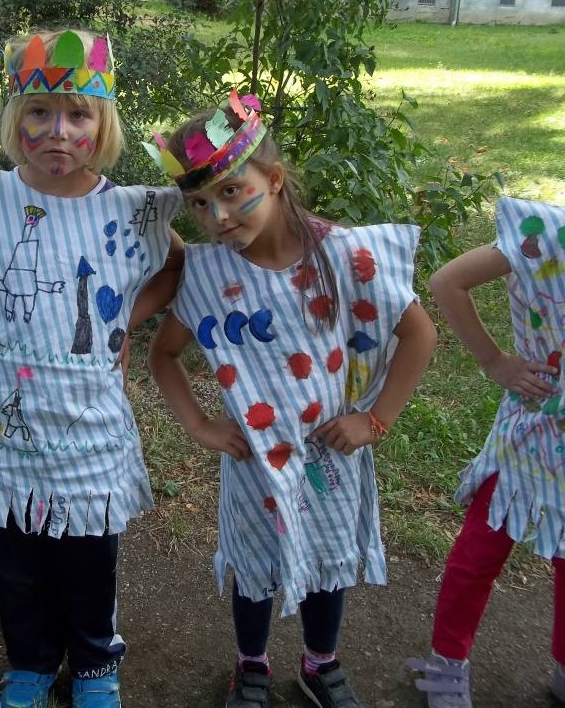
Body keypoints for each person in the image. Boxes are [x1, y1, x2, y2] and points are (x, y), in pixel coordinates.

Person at [146, 92, 436, 708]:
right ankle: (251, 664)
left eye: (232, 191)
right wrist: (199, 425)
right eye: (200, 203)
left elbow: (419, 334)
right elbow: (163, 355)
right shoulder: (207, 274)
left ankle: (319, 663)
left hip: (332, 456)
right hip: (252, 460)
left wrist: (375, 420)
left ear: (274, 179)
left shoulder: (346, 255)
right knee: (254, 568)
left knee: (328, 562)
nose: (218, 215)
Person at [0, 29, 184, 708]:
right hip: (5, 434)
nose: (58, 131)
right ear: (17, 118)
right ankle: (31, 661)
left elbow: (175, 267)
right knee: (14, 562)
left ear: (103, 124)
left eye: (77, 115)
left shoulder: (130, 212)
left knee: (88, 561)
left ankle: (95, 663)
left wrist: (128, 321)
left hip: (87, 438)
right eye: (39, 112)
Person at [409, 195, 565, 708]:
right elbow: (447, 280)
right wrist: (493, 360)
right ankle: (446, 663)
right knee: (483, 547)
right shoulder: (557, 231)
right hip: (534, 429)